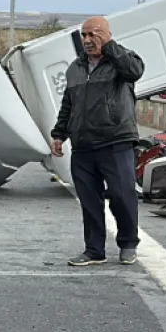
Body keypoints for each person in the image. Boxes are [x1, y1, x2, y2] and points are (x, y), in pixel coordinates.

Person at [50, 16, 145, 266]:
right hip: (83, 145)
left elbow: (136, 71)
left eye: (94, 34)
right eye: (84, 35)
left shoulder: (121, 62)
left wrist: (111, 47)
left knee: (122, 194)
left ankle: (128, 243)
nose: (88, 40)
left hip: (116, 141)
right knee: (89, 201)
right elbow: (68, 104)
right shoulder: (75, 68)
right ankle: (94, 250)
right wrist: (59, 134)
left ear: (106, 34)